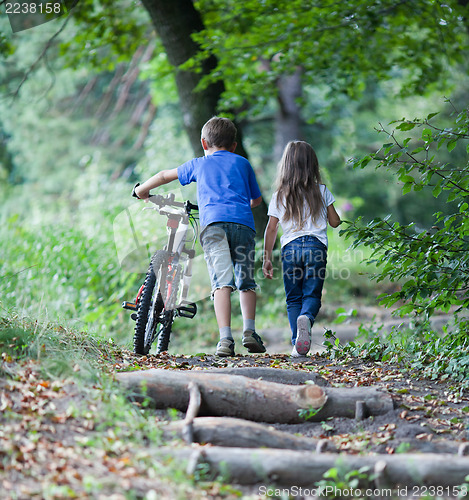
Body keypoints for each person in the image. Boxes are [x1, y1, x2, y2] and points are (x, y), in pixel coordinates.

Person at [134, 116, 266, 357]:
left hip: (213, 225)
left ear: (204, 143)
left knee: (221, 283)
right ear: (234, 145)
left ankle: (225, 339)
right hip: (243, 225)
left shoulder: (199, 163)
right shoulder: (243, 163)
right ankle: (249, 332)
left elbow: (165, 175)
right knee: (246, 281)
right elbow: (256, 200)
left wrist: (142, 190)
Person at [262, 140, 341, 357]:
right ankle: (306, 318)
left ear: (285, 165)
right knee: (312, 295)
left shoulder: (279, 195)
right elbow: (335, 222)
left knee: (293, 298)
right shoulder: (321, 191)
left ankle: (297, 341)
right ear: (312, 165)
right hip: (316, 247)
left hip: (290, 249)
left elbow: (271, 229)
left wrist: (266, 258)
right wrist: (330, 211)